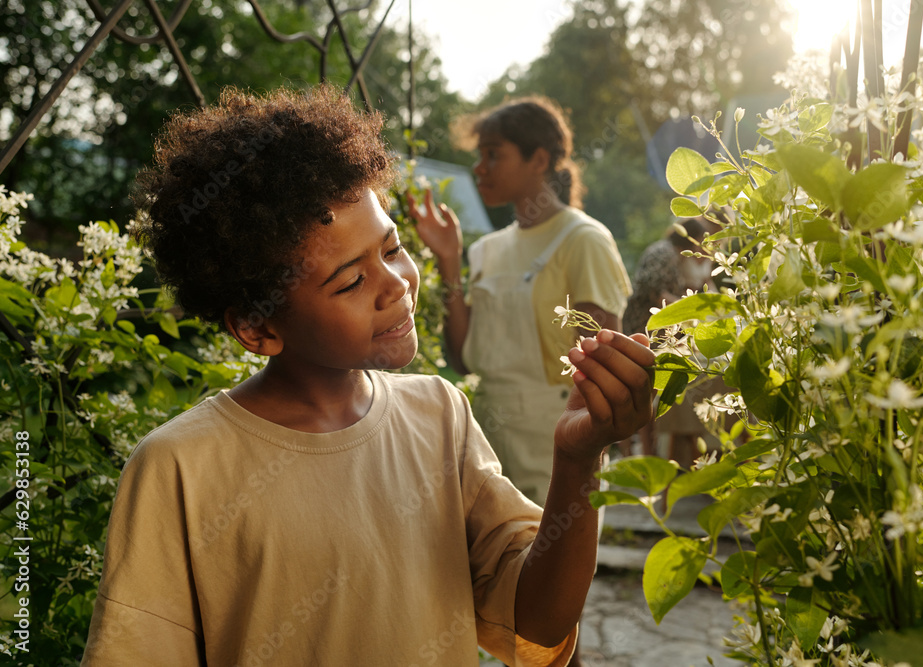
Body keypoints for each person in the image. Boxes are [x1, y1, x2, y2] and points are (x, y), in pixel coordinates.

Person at [79, 85, 654, 667]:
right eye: (350, 282)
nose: (397, 283)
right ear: (256, 329)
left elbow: (537, 620)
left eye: (393, 248)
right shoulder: (179, 468)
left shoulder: (440, 415)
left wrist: (578, 461)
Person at [407, 97, 632, 507]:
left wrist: (584, 449)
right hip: (484, 439)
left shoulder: (583, 240)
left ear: (539, 160)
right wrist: (449, 261)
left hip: (557, 435)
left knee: (554, 563)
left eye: (493, 155)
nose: (479, 168)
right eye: (479, 156)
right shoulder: (486, 250)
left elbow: (604, 368)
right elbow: (462, 358)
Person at [619, 216, 725, 466]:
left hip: (651, 331)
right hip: (644, 331)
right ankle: (643, 455)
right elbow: (656, 293)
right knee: (644, 390)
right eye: (700, 241)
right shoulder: (664, 253)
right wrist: (690, 313)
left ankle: (650, 455)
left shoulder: (670, 254)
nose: (700, 247)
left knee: (648, 391)